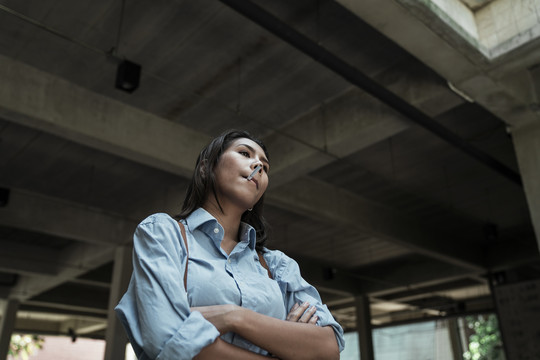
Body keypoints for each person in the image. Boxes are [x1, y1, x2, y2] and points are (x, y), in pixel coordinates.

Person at [115, 129, 345, 359]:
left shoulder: (278, 267)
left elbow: (327, 349)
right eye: (245, 153)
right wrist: (283, 348)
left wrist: (233, 317)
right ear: (205, 169)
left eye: (264, 167)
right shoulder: (163, 234)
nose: (258, 165)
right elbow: (168, 342)